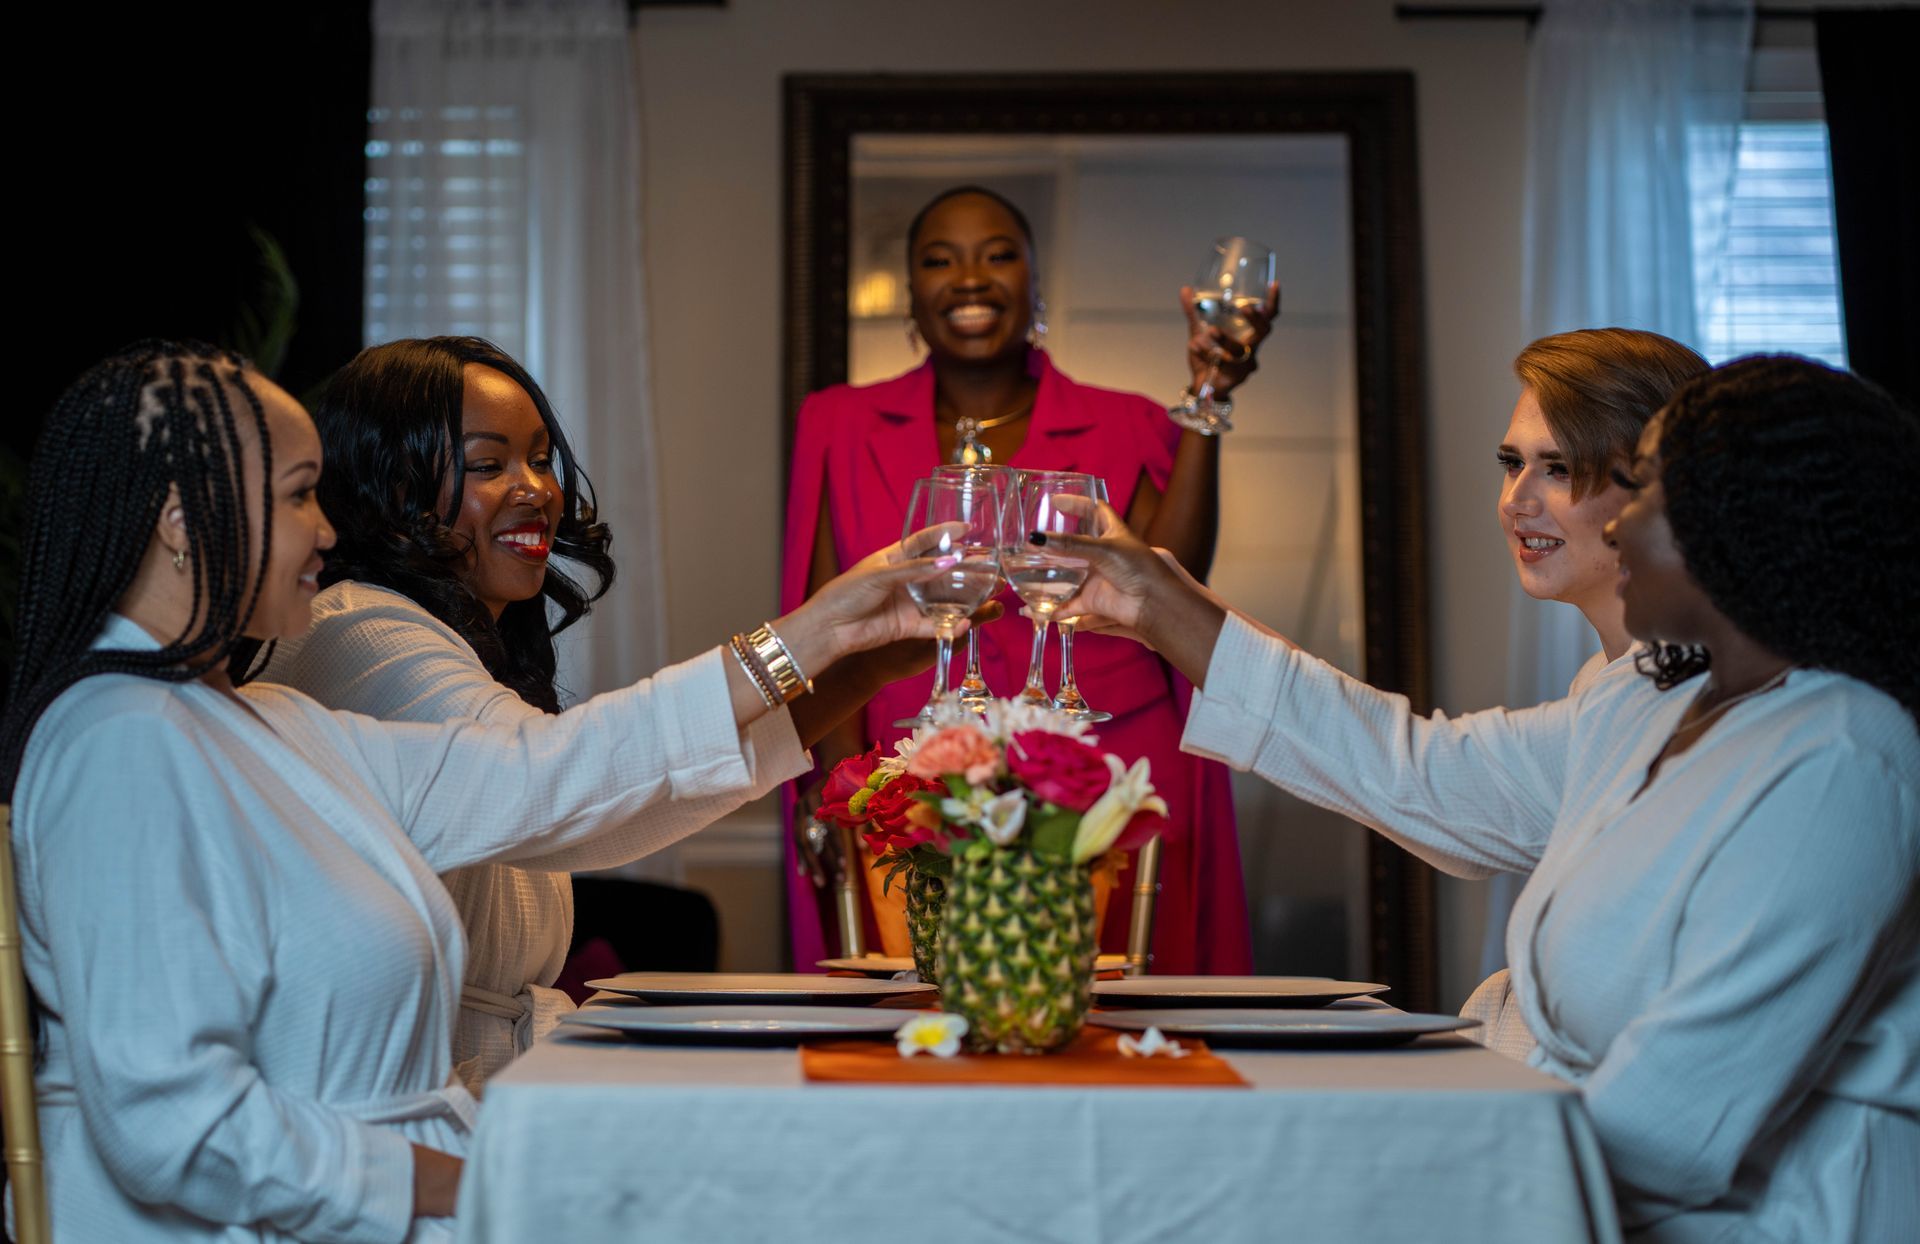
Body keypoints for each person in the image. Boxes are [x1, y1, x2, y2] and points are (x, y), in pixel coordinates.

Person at [2, 340, 955, 1240]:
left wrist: (829, 641)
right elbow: (174, 1124)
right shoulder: (117, 740)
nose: (329, 529)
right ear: (184, 521)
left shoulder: (263, 726)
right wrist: (465, 1174)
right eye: (300, 496)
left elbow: (546, 777)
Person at [1048, 354, 1919, 1240]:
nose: (1620, 524)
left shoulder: (1845, 757)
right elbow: (1415, 768)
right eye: (1515, 463)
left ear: (1741, 519)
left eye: (1642, 486)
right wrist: (1156, 601)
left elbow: (1669, 1135)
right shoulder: (1650, 707)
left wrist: (1375, 1171)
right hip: (1566, 1181)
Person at [255, 337, 943, 1087]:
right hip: (414, 1105)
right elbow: (559, 780)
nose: (537, 489)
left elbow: (621, 808)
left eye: (542, 457)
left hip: (495, 1084)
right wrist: (815, 631)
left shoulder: (458, 646)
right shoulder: (359, 630)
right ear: (394, 493)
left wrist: (865, 666)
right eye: (489, 465)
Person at [781, 184, 1277, 974]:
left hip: (1106, 765)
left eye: (998, 254)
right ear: (911, 292)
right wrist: (832, 786)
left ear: (1036, 284)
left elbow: (1171, 584)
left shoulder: (1128, 423)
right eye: (939, 260)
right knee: (922, 1009)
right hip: (915, 772)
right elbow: (826, 625)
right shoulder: (838, 425)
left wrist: (1209, 394)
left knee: (1115, 1008)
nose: (969, 277)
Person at [1465, 327, 1707, 1053]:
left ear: (1655, 488)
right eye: (1511, 464)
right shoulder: (1597, 685)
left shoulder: (1710, 700)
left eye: (1560, 469)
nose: (1517, 501)